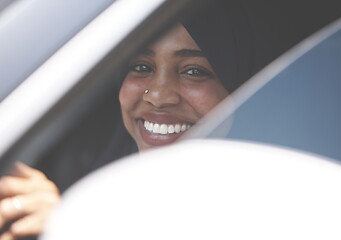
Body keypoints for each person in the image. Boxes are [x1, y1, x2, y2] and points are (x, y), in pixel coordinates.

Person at [0, 0, 298, 239]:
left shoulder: (286, 211)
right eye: (141, 65)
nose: (156, 95)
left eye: (194, 70)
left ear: (248, 82)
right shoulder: (108, 189)